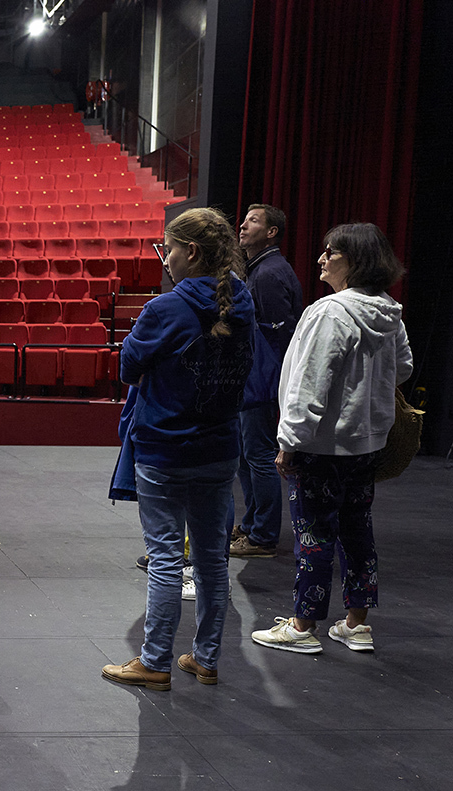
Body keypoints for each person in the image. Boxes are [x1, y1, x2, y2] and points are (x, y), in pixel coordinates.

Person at [102, 208, 255, 691]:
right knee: (211, 557)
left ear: (190, 252)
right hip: (219, 448)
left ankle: (155, 661)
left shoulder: (165, 309)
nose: (165, 258)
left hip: (165, 450)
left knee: (166, 556)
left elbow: (128, 366)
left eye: (168, 248)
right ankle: (206, 659)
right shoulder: (242, 303)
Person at [252, 223, 412, 655]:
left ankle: (303, 626)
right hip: (367, 444)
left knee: (314, 533)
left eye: (332, 253)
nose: (322, 259)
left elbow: (309, 384)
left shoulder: (330, 312)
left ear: (354, 261)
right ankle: (356, 625)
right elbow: (405, 369)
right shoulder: (389, 311)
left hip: (322, 446)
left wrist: (290, 440)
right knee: (357, 529)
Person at [231, 204, 305, 558]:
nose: (243, 225)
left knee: (258, 455)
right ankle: (251, 524)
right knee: (247, 456)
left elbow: (278, 339)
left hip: (262, 381)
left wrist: (269, 382)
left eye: (253, 221)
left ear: (271, 232)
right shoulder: (261, 270)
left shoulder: (269, 274)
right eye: (245, 220)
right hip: (257, 379)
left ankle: (262, 536)